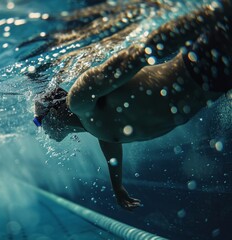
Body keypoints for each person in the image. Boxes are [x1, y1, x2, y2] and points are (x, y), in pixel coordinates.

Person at [33, 0, 232, 210]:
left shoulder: (79, 101)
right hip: (217, 82)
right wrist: (117, 188)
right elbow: (112, 157)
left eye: (37, 121)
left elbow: (141, 53)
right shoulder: (99, 129)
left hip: (205, 58)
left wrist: (208, 15)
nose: (41, 130)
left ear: (52, 111)